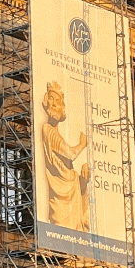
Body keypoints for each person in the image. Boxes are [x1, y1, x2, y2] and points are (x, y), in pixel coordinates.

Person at [38, 81, 90, 230]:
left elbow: (67, 166)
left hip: (71, 192)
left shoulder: (56, 133)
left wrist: (83, 181)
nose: (55, 104)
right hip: (59, 197)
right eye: (52, 100)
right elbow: (70, 154)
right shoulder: (48, 130)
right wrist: (82, 143)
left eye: (58, 101)